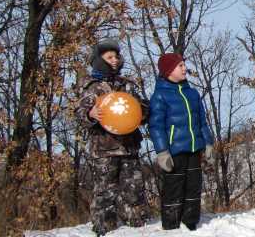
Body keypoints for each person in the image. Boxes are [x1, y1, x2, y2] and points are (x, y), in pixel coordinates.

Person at [75, 39, 149, 236]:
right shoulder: (92, 86)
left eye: (116, 56)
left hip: (129, 146)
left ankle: (137, 226)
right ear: (99, 60)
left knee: (134, 189)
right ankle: (104, 228)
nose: (114, 60)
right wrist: (89, 114)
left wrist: (143, 111)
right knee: (105, 191)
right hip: (104, 148)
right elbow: (79, 112)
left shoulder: (127, 85)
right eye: (109, 57)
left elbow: (142, 110)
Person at [148, 53, 214, 231]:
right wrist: (162, 151)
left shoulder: (192, 93)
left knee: (194, 185)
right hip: (174, 150)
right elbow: (155, 126)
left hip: (194, 148)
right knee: (174, 188)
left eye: (185, 65)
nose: (185, 69)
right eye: (180, 66)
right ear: (169, 71)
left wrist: (208, 142)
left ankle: (191, 222)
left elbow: (202, 121)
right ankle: (171, 226)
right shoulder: (160, 96)